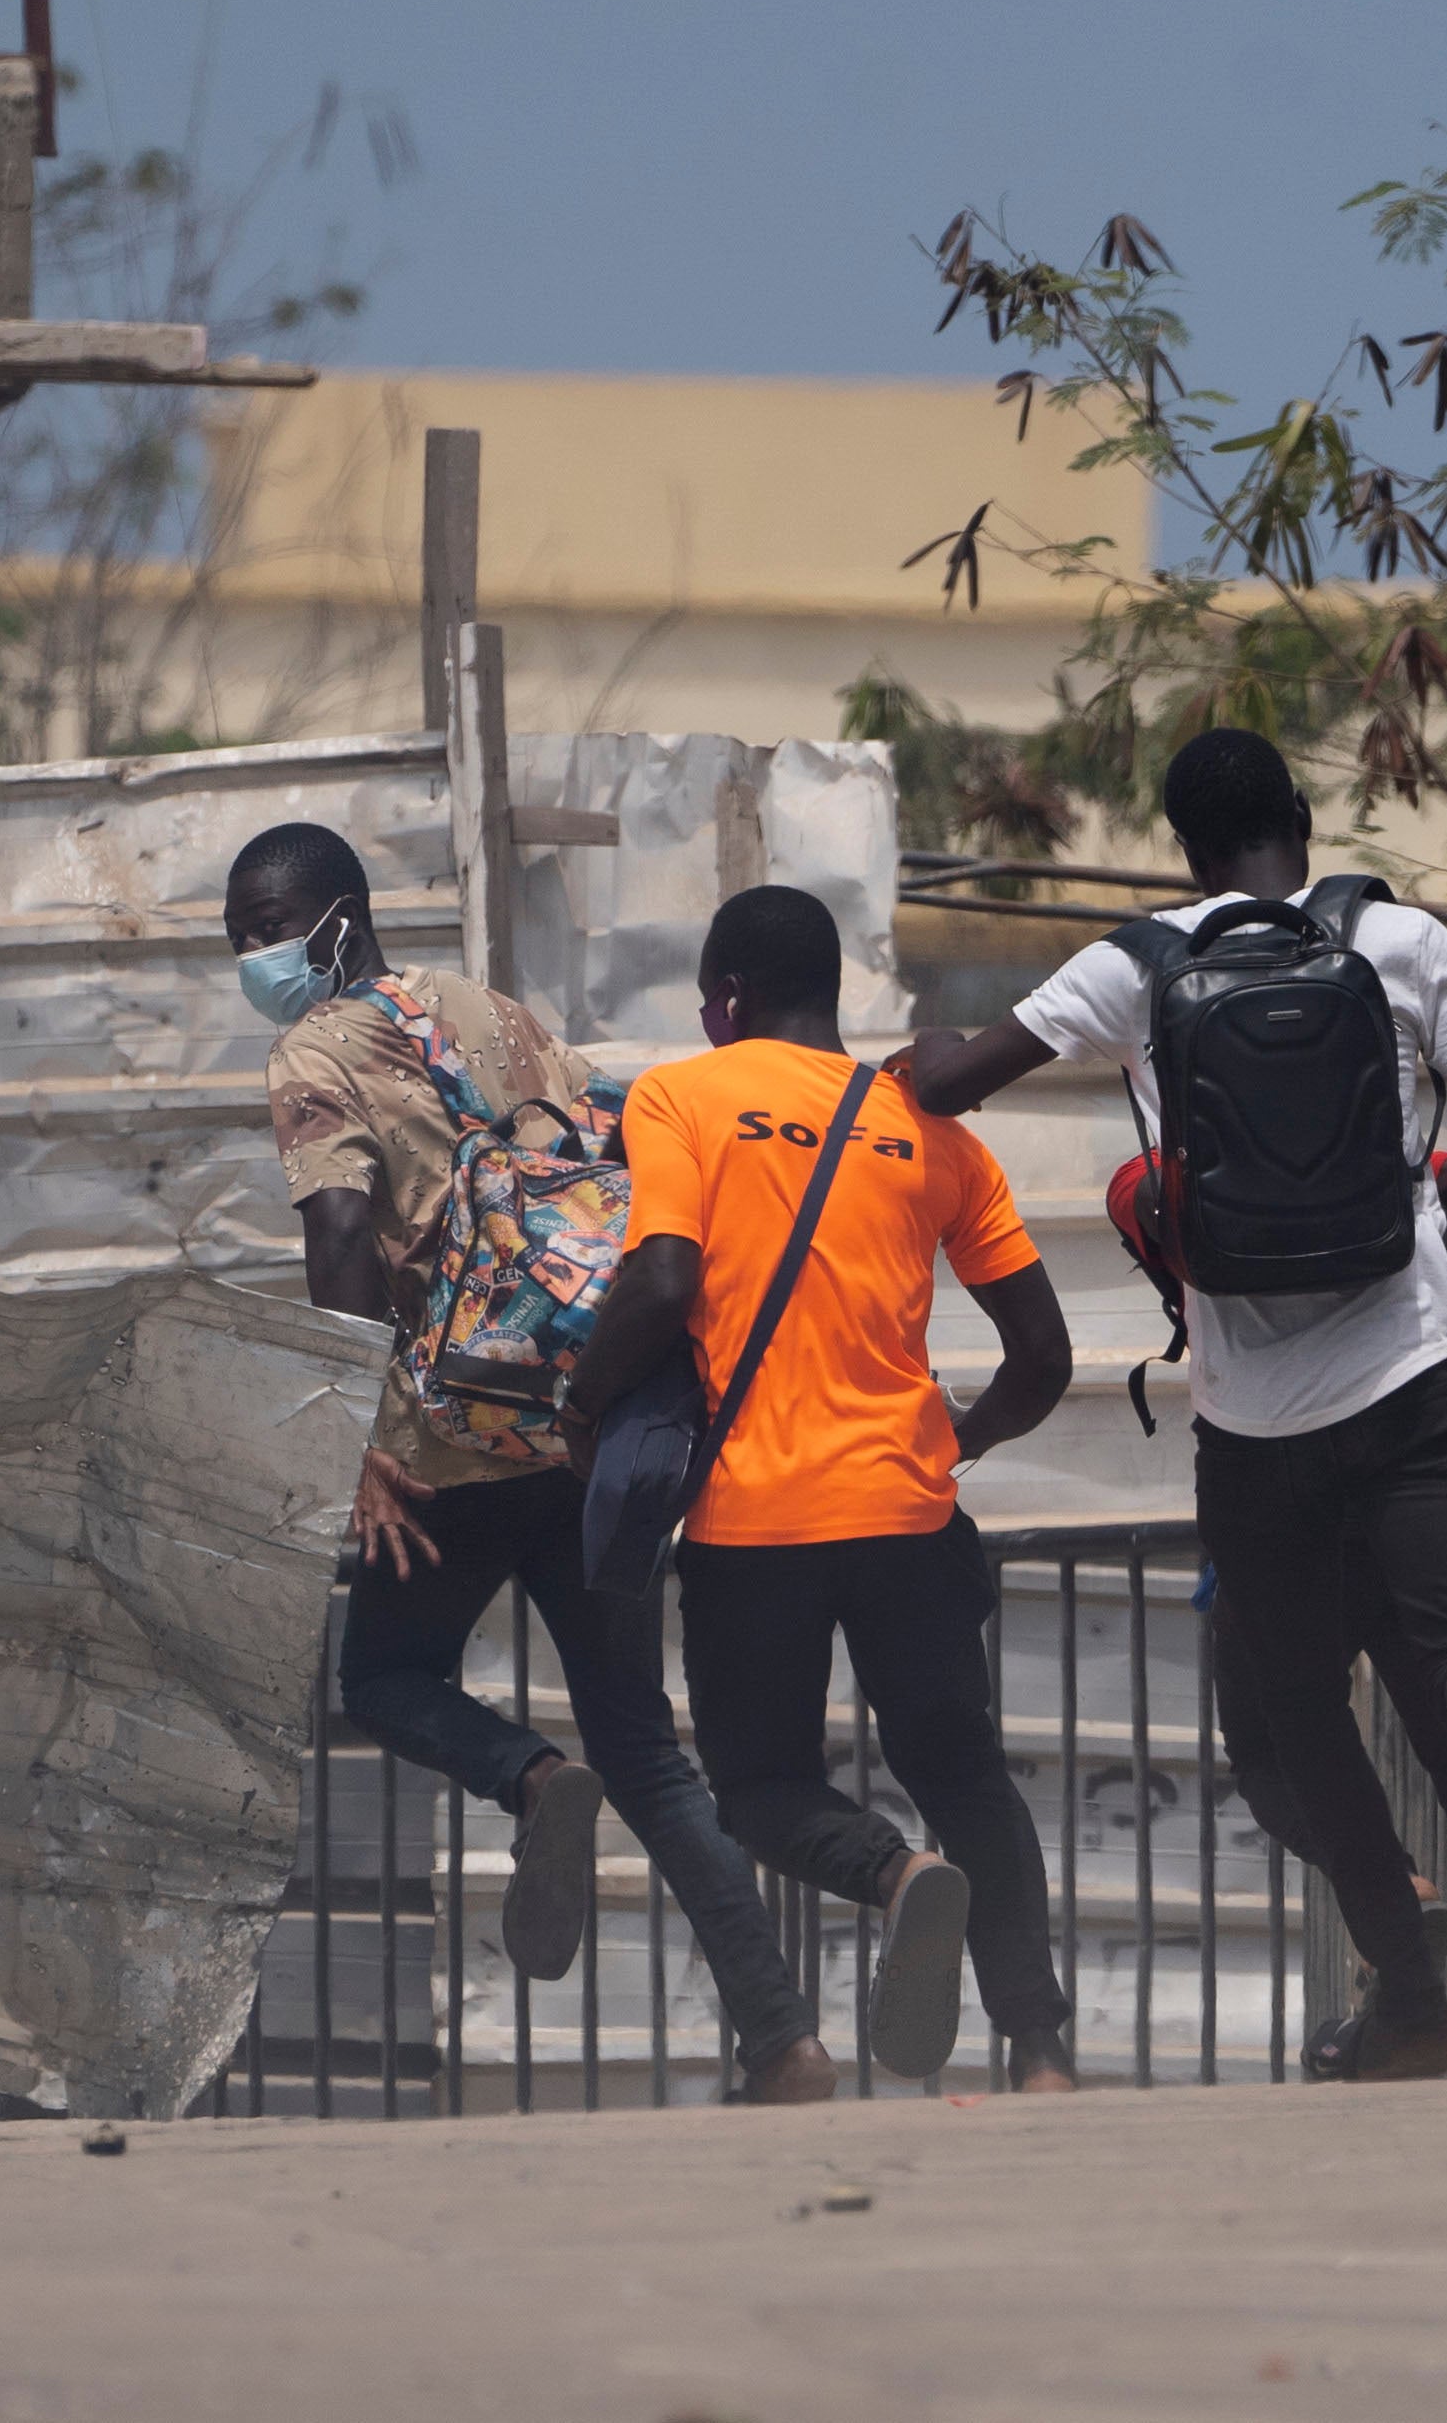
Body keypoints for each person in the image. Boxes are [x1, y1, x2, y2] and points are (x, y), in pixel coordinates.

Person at [901, 728, 1447, 2083]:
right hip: (1418, 1384)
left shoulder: (1136, 962)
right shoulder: (1410, 945)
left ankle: (1414, 2001)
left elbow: (949, 1085)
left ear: (1183, 847)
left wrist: (931, 1048)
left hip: (1254, 1430)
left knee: (1302, 1725)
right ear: (1303, 818)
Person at [224, 824, 835, 2104]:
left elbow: (339, 1243)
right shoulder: (493, 1012)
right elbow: (603, 1161)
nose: (254, 959)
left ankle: (530, 1780)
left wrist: (351, 1439)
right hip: (572, 1425)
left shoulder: (312, 1053)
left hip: (442, 1446)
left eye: (265, 931)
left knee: (386, 1676)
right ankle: (782, 2038)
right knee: (652, 1754)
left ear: (337, 919)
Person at [569, 886, 1085, 2090]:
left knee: (756, 1789)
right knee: (966, 1780)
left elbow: (657, 1283)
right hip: (907, 1512)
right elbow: (1043, 1360)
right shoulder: (931, 1129)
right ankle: (1043, 2051)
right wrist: (955, 1441)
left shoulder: (678, 1098)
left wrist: (580, 1407)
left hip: (754, 1525)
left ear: (729, 996)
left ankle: (892, 1873)